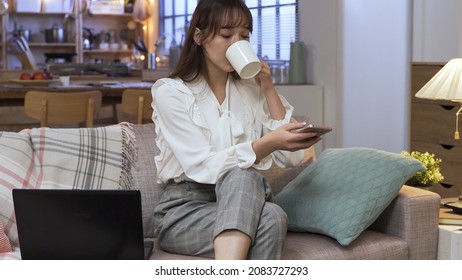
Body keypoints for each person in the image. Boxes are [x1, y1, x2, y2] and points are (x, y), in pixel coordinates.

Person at [151, 0, 320, 260]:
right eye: (226, 35)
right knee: (244, 176)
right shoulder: (170, 92)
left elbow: (292, 157)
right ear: (199, 36)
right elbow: (201, 165)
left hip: (244, 202)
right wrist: (267, 144)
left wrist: (267, 88)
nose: (236, 44)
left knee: (273, 214)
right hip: (185, 212)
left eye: (244, 36)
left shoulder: (250, 90)